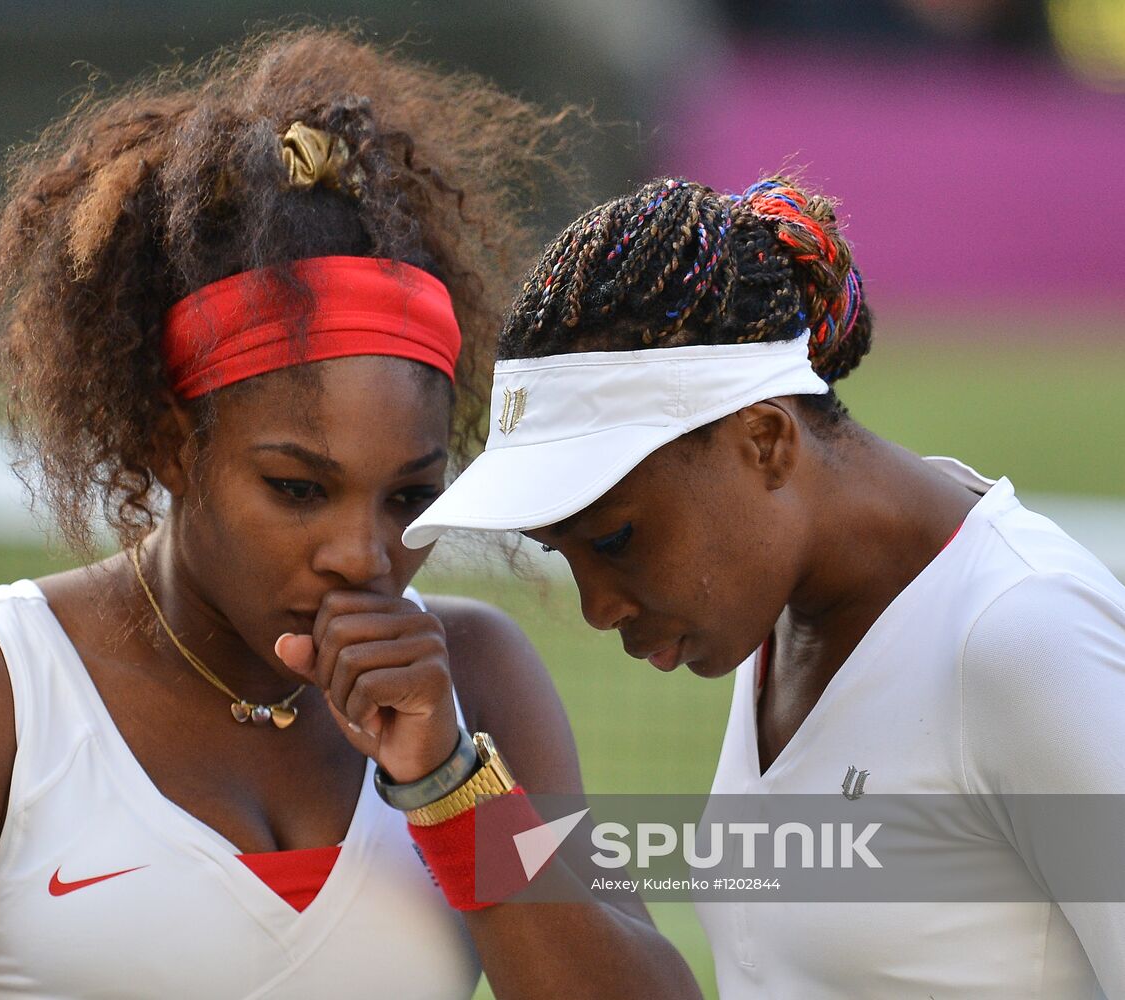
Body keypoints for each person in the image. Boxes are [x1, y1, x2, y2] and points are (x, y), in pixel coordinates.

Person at [0, 31, 700, 999]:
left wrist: (449, 785)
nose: (361, 555)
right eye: (296, 487)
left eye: (410, 496)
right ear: (171, 441)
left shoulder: (476, 681)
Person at [405, 176, 1125, 998]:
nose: (597, 607)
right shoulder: (771, 618)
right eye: (562, 552)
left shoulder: (1024, 639)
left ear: (765, 441)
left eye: (616, 539)